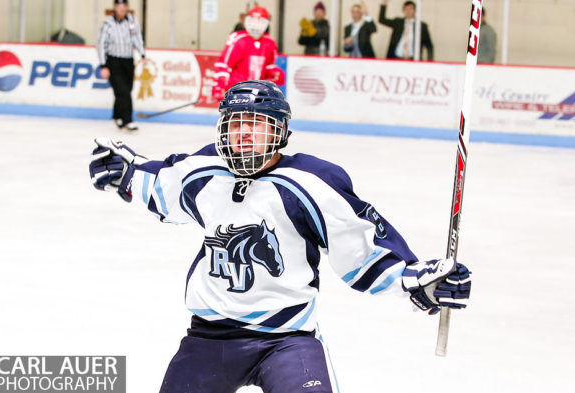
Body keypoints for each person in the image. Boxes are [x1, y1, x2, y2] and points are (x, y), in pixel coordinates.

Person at [88, 80, 472, 393]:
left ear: (280, 132)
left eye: (255, 123)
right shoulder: (205, 170)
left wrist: (416, 281)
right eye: (235, 123)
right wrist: (123, 173)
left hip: (288, 340)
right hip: (209, 338)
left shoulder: (311, 182)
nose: (242, 133)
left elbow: (361, 249)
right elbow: (162, 186)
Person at [212, 6, 284, 101]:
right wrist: (219, 85)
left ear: (265, 24)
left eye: (259, 22)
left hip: (258, 93)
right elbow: (224, 64)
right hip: (237, 91)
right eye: (252, 21)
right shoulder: (238, 39)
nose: (255, 25)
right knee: (237, 116)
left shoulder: (269, 42)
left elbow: (268, 66)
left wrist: (275, 73)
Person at [97, 0, 145, 131]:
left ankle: (117, 116)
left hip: (128, 61)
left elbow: (137, 38)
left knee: (126, 90)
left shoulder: (132, 21)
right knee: (122, 91)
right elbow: (101, 44)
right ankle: (127, 120)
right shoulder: (108, 23)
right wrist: (103, 65)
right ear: (115, 7)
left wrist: (142, 55)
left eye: (124, 6)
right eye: (119, 6)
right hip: (113, 61)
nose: (122, 8)